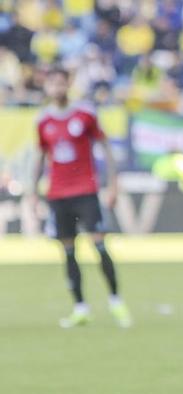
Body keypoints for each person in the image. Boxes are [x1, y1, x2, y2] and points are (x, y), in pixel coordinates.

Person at [32, 66, 131, 329]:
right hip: (57, 194)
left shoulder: (85, 114)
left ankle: (115, 301)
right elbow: (40, 156)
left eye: (61, 83)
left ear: (68, 85)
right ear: (47, 87)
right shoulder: (43, 121)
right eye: (52, 83)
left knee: (99, 246)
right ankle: (80, 307)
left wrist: (112, 184)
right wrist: (33, 191)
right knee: (67, 251)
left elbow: (105, 145)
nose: (57, 88)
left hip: (85, 191)